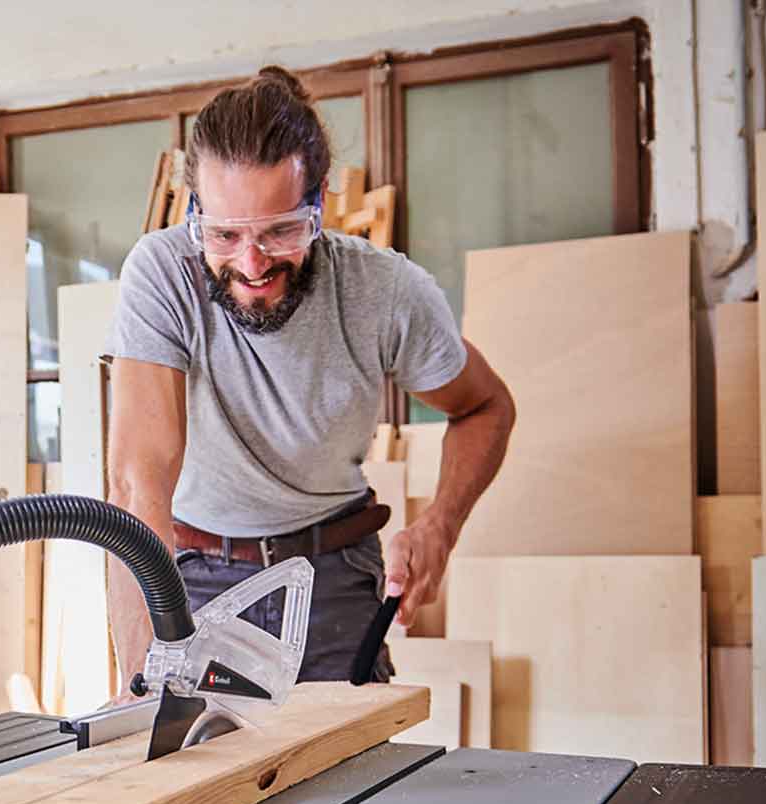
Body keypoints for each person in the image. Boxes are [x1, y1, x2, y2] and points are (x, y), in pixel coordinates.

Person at [103, 64, 515, 687]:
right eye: (223, 235)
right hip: (194, 577)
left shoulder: (383, 291)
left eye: (280, 231)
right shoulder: (163, 275)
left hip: (334, 574)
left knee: (351, 777)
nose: (251, 264)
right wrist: (139, 683)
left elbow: (484, 407)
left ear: (320, 202)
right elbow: (139, 490)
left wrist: (439, 526)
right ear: (194, 213)